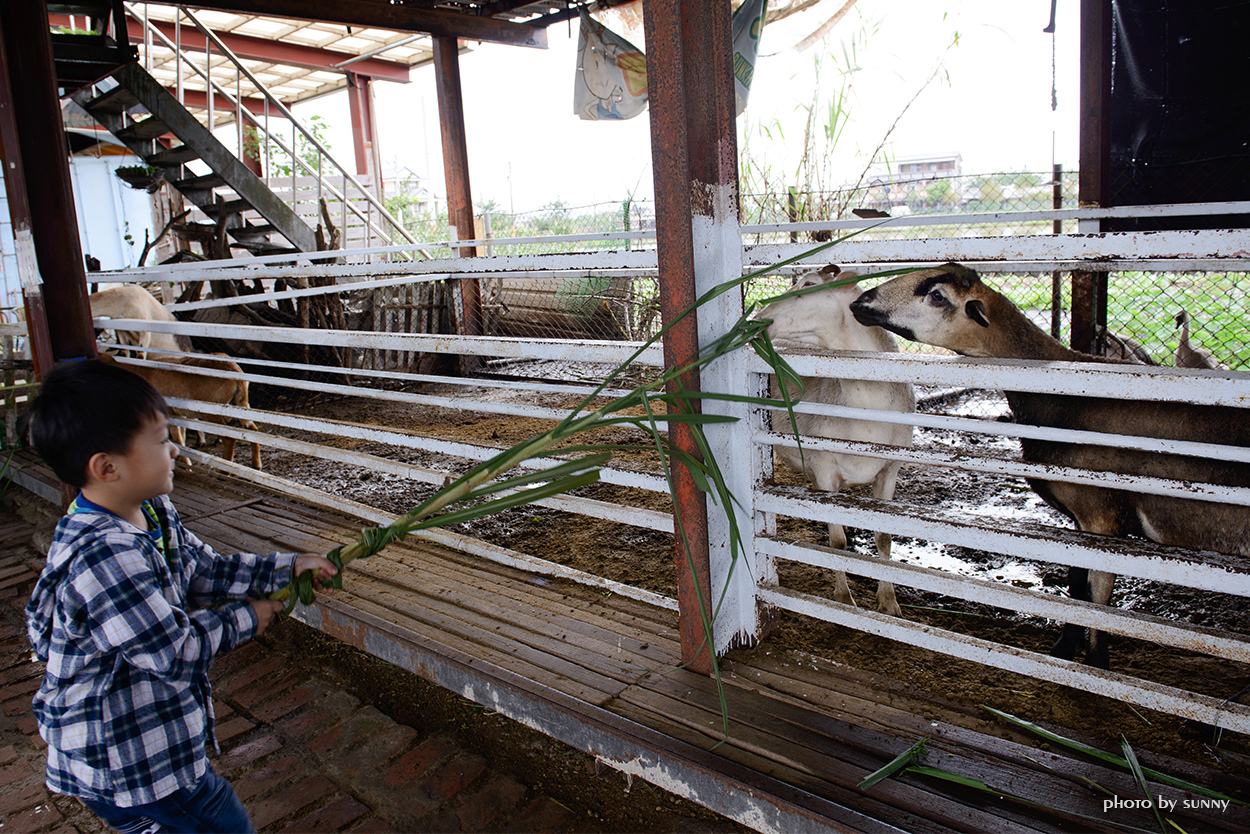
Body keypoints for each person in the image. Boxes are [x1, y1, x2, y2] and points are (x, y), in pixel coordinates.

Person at [24, 359, 337, 834]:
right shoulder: (105, 556)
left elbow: (204, 570)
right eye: (159, 439)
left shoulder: (150, 509)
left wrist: (288, 566)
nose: (173, 449)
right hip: (129, 761)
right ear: (107, 467)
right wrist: (249, 617)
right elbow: (175, 652)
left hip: (147, 739)